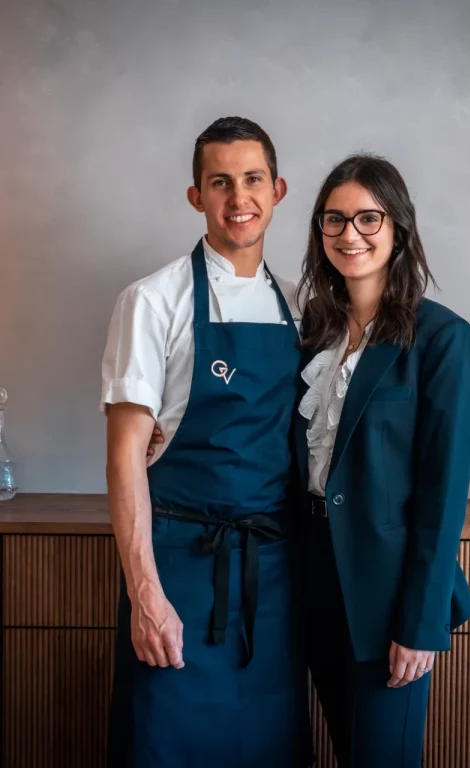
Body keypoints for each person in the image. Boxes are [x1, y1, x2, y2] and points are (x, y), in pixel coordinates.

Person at [101, 116, 312, 767]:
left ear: (277, 190)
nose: (238, 197)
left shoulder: (303, 307)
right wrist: (145, 595)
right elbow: (124, 459)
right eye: (220, 182)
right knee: (166, 745)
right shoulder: (151, 301)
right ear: (196, 196)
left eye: (252, 180)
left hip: (273, 577)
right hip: (179, 570)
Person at [294, 154, 470, 767]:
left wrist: (420, 624)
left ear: (398, 227)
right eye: (335, 219)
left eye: (368, 218)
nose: (350, 234)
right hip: (309, 575)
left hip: (387, 593)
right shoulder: (311, 332)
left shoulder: (443, 339)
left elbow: (442, 498)